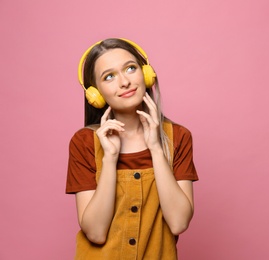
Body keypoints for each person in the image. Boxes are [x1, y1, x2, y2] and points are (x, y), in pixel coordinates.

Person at [66, 38, 198, 259]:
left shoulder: (178, 137)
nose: (124, 82)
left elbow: (178, 222)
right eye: (109, 77)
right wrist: (109, 158)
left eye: (130, 68)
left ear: (146, 74)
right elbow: (96, 232)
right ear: (95, 95)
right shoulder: (84, 143)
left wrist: (156, 148)